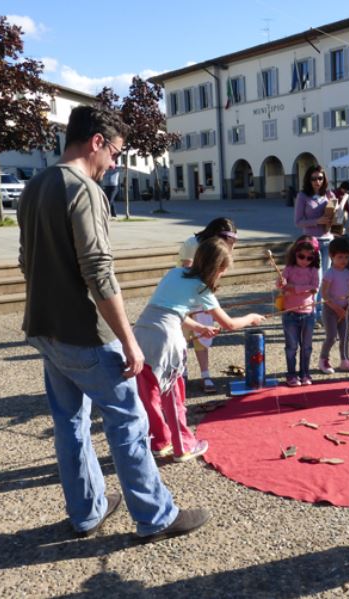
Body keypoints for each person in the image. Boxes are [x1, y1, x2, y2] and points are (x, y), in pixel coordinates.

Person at [18, 105, 209, 543]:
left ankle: (87, 512)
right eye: (116, 153)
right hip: (84, 332)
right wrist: (129, 340)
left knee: (70, 422)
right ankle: (154, 516)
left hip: (44, 327)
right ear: (96, 142)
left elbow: (26, 263)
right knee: (129, 420)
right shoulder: (83, 189)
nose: (116, 164)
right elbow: (99, 271)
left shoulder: (36, 185)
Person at [134, 237, 264, 462]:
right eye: (223, 271)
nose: (221, 275)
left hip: (142, 332)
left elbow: (170, 309)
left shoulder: (175, 273)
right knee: (172, 394)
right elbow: (230, 324)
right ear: (217, 268)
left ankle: (159, 441)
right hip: (166, 339)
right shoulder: (202, 288)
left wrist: (199, 327)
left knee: (149, 393)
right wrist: (251, 317)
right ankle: (183, 446)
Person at [178, 218, 238, 394]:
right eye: (229, 242)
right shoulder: (192, 244)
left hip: (204, 294)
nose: (231, 246)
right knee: (182, 337)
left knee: (203, 336)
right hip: (186, 297)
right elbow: (188, 271)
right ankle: (182, 374)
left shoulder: (220, 247)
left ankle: (205, 375)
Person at [277, 235, 320, 386]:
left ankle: (305, 373)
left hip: (308, 314)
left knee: (307, 347)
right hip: (290, 313)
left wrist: (293, 288)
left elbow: (314, 289)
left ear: (314, 258)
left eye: (309, 258)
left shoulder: (314, 270)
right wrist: (282, 284)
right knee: (291, 347)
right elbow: (280, 286)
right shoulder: (289, 269)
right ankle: (291, 374)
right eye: (301, 256)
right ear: (295, 253)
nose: (304, 260)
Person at [294, 165, 335, 322]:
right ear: (308, 180)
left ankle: (323, 313)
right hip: (312, 242)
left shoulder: (329, 194)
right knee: (316, 280)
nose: (317, 181)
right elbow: (298, 222)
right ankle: (315, 314)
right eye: (313, 178)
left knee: (327, 279)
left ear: (324, 179)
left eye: (320, 178)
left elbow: (336, 215)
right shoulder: (303, 196)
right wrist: (317, 221)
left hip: (328, 239)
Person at [317, 237, 349, 375]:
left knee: (345, 336)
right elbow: (324, 294)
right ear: (331, 256)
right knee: (331, 337)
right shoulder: (329, 273)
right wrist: (337, 309)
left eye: (346, 257)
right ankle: (323, 360)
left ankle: (345, 360)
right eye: (340, 257)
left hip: (345, 310)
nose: (344, 260)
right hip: (330, 310)